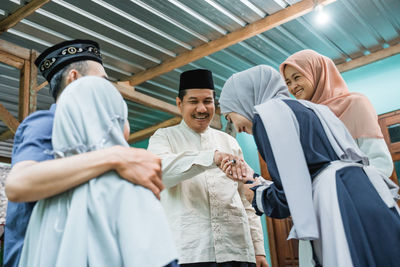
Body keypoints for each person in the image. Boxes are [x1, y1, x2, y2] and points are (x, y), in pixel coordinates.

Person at [4, 40, 165, 267]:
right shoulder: (48, 121)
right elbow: (19, 184)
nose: (108, 92)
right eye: (102, 83)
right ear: (75, 79)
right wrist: (116, 157)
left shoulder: (94, 143)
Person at [219, 65, 400, 267]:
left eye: (230, 117)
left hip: (336, 202)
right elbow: (308, 171)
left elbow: (287, 198)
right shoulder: (314, 108)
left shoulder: (266, 116)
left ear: (241, 98)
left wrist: (254, 194)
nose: (236, 128)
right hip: (365, 193)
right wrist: (255, 180)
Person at [147, 69, 268, 267]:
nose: (202, 109)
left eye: (208, 101)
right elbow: (160, 172)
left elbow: (245, 199)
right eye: (194, 101)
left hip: (237, 250)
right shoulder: (164, 137)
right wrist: (212, 158)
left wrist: (258, 249)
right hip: (192, 253)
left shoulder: (229, 142)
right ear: (180, 104)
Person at [279, 49, 393, 178]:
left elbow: (381, 163)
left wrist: (347, 187)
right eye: (288, 82)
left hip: (363, 192)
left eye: (297, 77)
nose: (293, 86)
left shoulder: (354, 104)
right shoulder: (307, 117)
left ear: (316, 72)